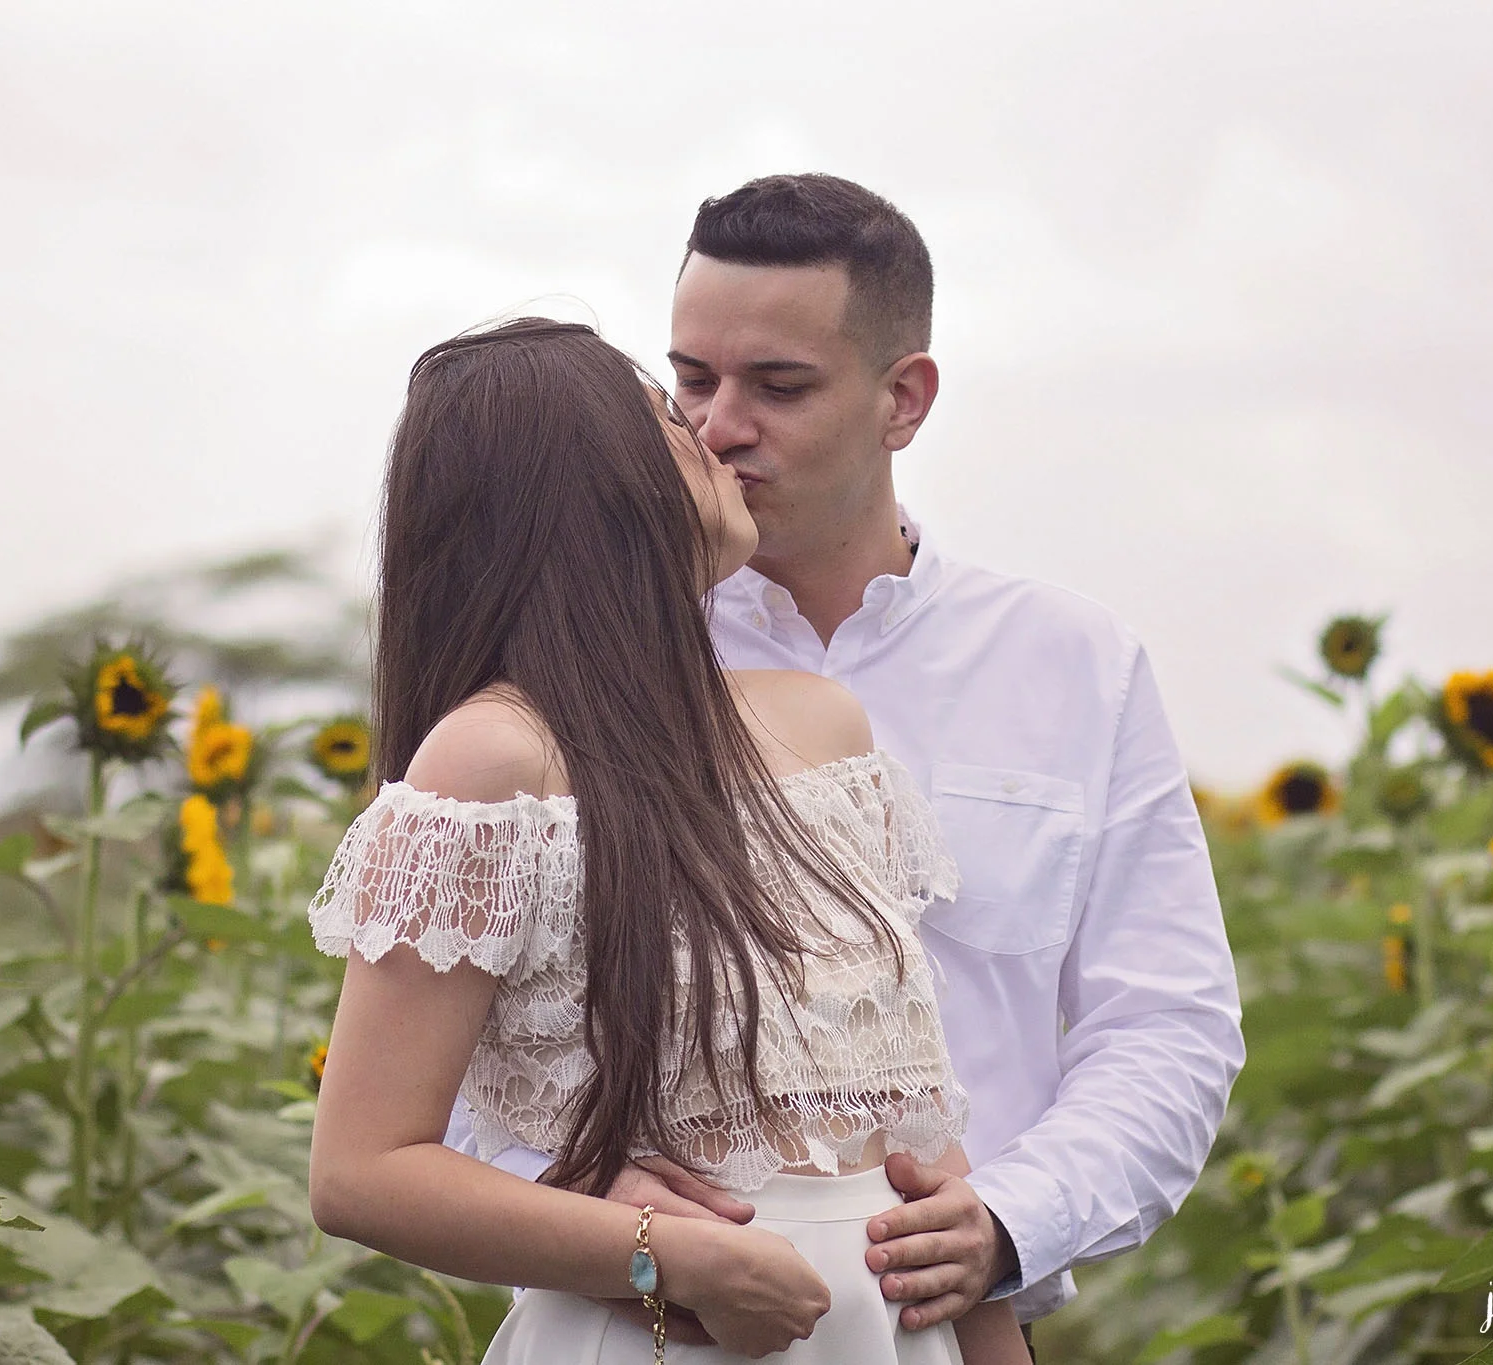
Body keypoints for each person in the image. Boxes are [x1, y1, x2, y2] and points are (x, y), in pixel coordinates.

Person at [461, 175, 1247, 1344]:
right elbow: (439, 1048)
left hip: (959, 1329)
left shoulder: (1072, 665)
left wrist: (1005, 1222)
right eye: (690, 381)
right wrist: (576, 1196)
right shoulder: (581, 678)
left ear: (904, 399)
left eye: (779, 385)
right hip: (655, 1327)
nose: (721, 425)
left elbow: (1165, 1024)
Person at [306, 318, 1031, 1364]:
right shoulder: (494, 759)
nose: (706, 433)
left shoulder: (824, 727)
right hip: (661, 1340)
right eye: (663, 412)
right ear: (581, 481)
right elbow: (361, 1170)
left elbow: (919, 1142)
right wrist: (659, 1258)